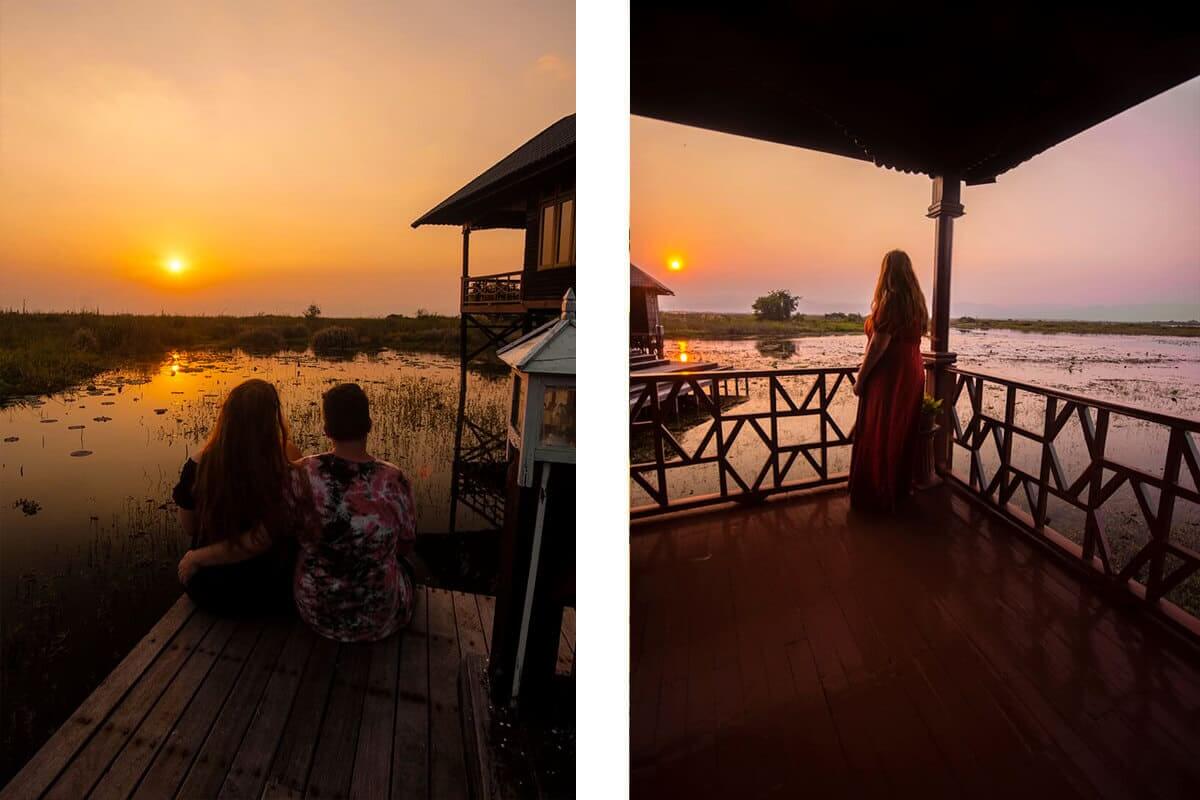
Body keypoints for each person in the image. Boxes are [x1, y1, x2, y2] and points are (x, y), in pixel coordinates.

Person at [178, 382, 417, 642]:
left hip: (311, 613)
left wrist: (197, 557)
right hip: (369, 617)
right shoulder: (396, 479)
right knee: (407, 569)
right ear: (369, 425)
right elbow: (405, 545)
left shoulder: (302, 474)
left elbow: (249, 536)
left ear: (326, 430)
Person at [173, 379, 306, 616]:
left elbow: (189, 527)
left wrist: (197, 557)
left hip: (212, 589)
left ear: (227, 416)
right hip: (274, 587)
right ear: (271, 417)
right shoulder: (288, 457)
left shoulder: (198, 464)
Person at [849, 249, 928, 512]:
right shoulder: (916, 301)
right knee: (901, 429)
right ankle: (898, 490)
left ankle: (877, 494)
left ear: (886, 271)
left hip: (890, 374)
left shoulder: (892, 300)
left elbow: (878, 346)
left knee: (880, 428)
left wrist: (861, 379)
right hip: (912, 371)